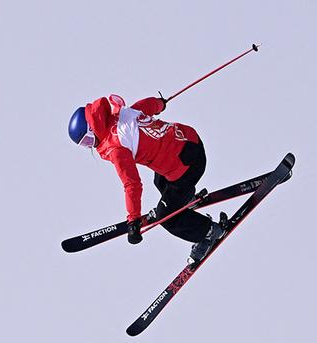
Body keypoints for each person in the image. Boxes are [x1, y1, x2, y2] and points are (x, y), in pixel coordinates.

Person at [67, 94, 224, 263]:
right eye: (85, 144)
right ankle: (183, 200)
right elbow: (147, 105)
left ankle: (209, 232)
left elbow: (132, 184)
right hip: (190, 139)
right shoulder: (123, 113)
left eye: (88, 140)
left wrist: (133, 219)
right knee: (160, 181)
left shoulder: (116, 148)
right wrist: (160, 104)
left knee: (167, 217)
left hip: (186, 167)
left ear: (93, 127)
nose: (91, 145)